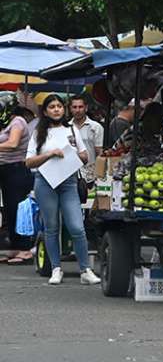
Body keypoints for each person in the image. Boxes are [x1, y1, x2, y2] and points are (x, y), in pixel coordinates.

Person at [25, 94, 101, 285]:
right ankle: (56, 268)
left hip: (68, 182)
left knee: (77, 226)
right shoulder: (38, 133)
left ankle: (85, 270)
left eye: (59, 106)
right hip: (45, 182)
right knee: (51, 227)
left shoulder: (72, 129)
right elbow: (28, 161)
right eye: (52, 107)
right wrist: (50, 154)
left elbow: (85, 155)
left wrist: (74, 155)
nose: (57, 109)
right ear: (45, 111)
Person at [0, 102, 34, 262]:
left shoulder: (18, 122)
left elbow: (13, 143)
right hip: (5, 170)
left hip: (17, 170)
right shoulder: (6, 124)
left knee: (18, 208)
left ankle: (24, 248)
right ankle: (14, 247)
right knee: (8, 210)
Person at [69, 95, 103, 185]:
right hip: (70, 175)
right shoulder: (66, 127)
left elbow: (99, 153)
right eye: (74, 107)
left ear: (86, 108)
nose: (77, 110)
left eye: (80, 107)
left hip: (90, 176)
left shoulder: (96, 127)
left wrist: (99, 176)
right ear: (70, 109)